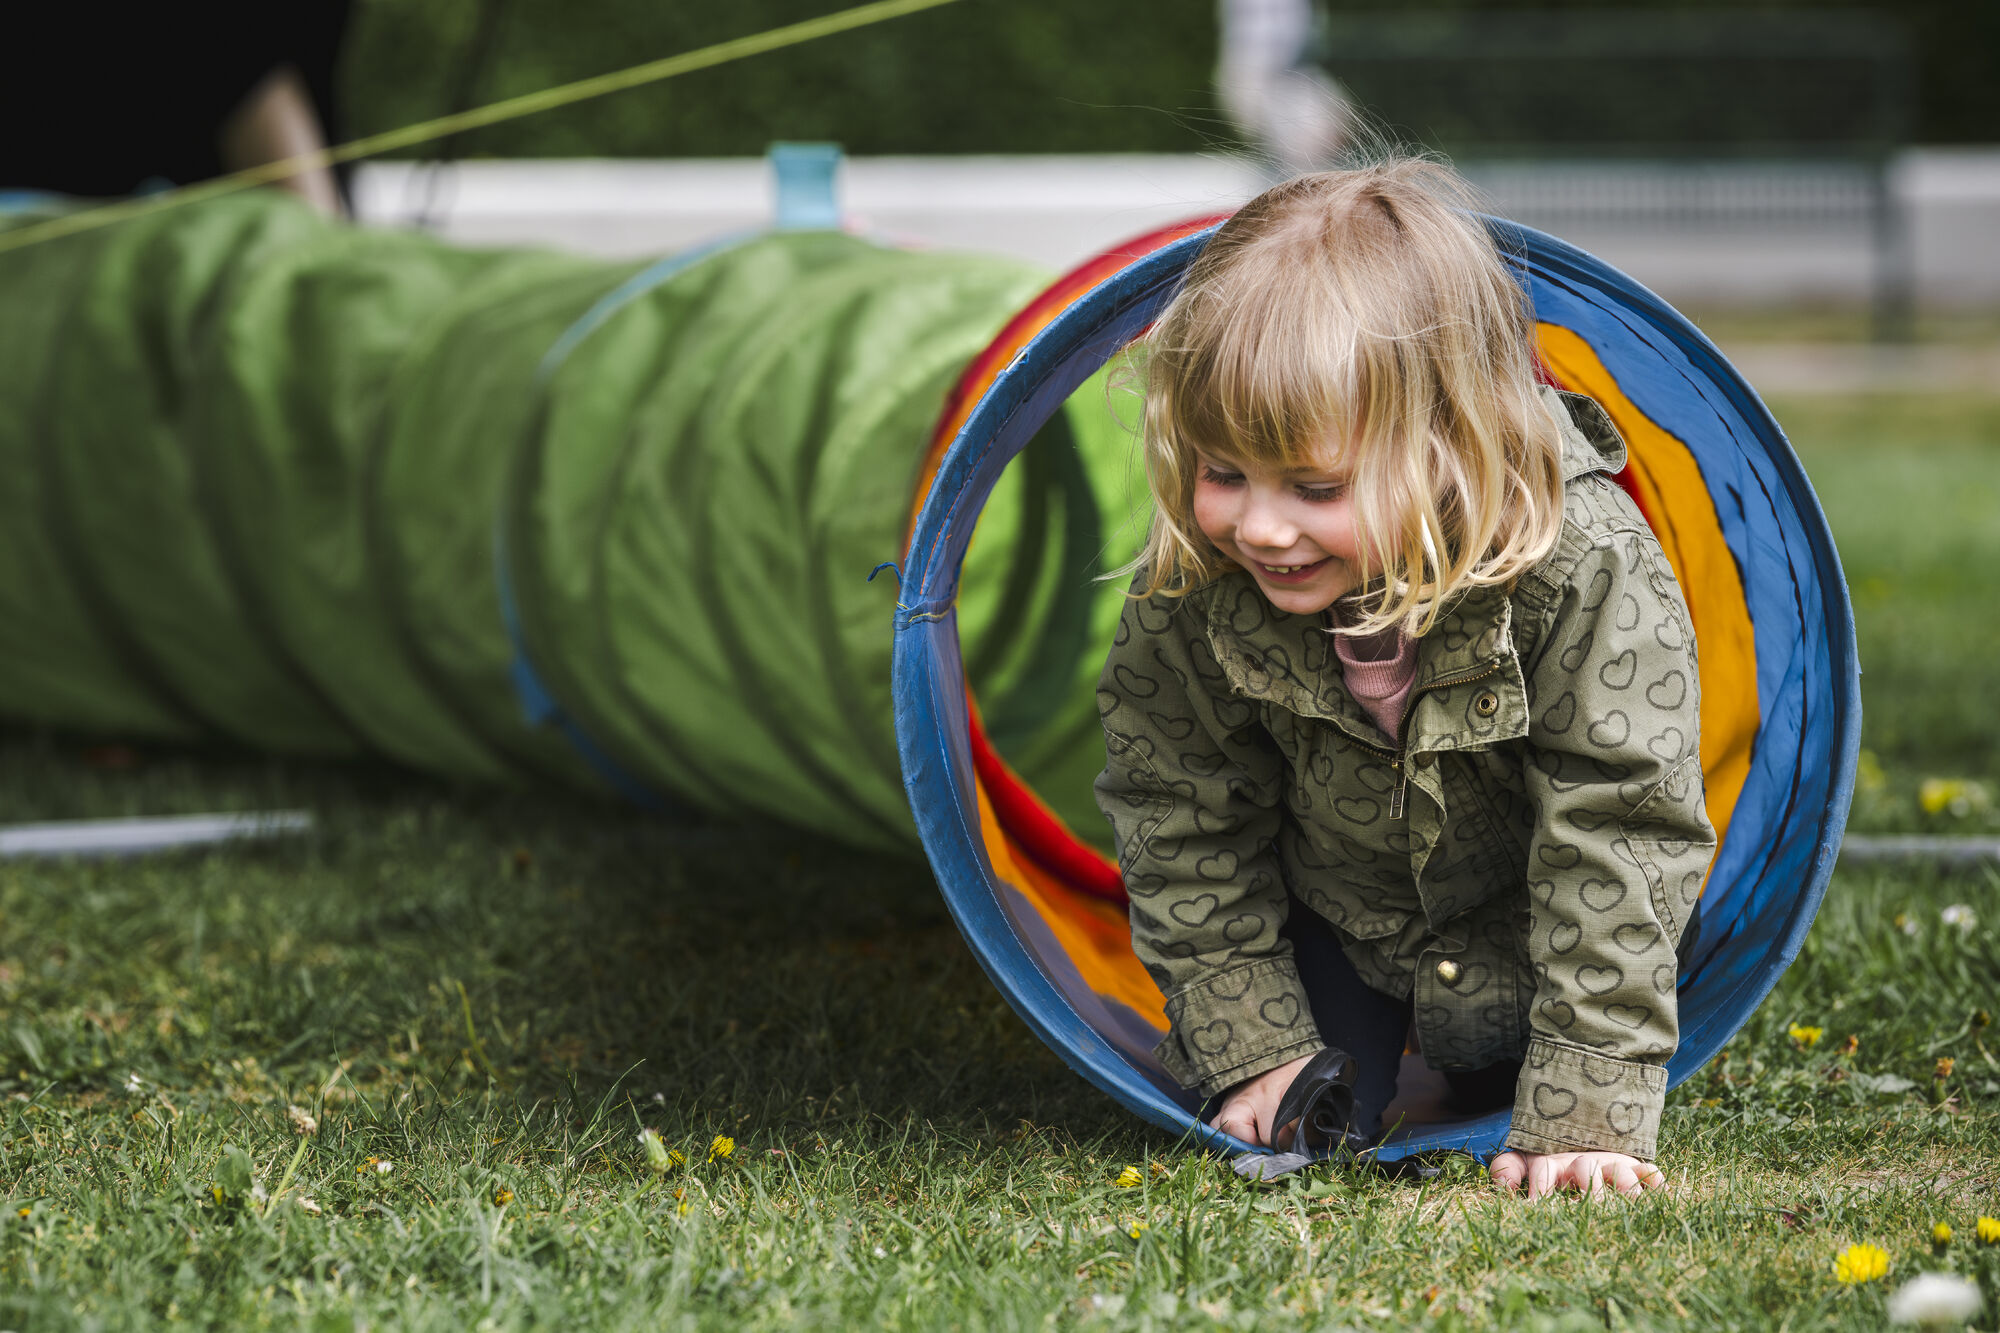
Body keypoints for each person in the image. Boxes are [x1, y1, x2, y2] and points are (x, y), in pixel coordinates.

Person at [1092, 158, 1716, 1201]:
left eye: (1316, 486)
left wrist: (1587, 1096)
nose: (1260, 527)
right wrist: (1249, 1037)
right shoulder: (1201, 583)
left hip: (1536, 937)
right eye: (1222, 472)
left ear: (1452, 448)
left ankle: (1522, 1055)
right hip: (1337, 926)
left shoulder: (1582, 565)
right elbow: (1178, 807)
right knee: (1301, 1119)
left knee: (1511, 1078)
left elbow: (1623, 822)